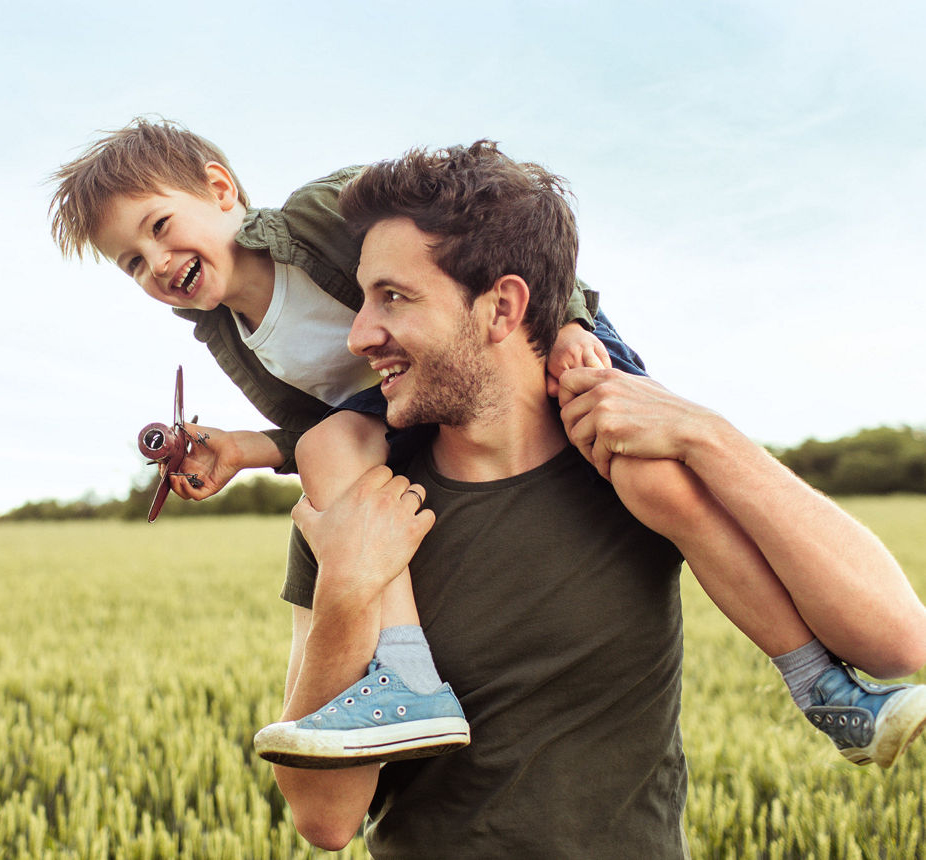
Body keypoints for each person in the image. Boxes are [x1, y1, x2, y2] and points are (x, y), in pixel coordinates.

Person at [48, 118, 926, 771]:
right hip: (412, 404)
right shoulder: (224, 338)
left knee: (661, 491)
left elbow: (496, 248)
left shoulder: (325, 214)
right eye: (131, 263)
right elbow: (321, 427)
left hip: (539, 341)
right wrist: (243, 449)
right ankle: (406, 680)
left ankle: (820, 684)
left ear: (219, 187)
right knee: (325, 453)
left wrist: (572, 323)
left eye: (159, 228)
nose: (156, 264)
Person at [266, 141, 926, 855]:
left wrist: (707, 435)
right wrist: (347, 586)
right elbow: (324, 819)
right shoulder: (360, 500)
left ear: (502, 307)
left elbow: (899, 642)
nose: (360, 335)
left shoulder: (632, 469)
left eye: (392, 296)